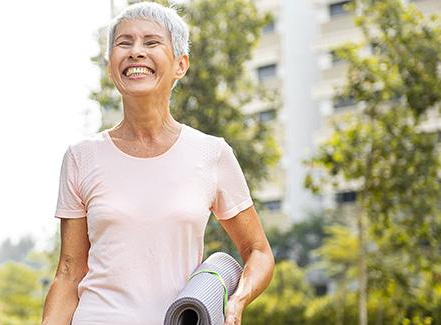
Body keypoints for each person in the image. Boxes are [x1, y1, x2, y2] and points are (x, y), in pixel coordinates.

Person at [41, 2, 274, 324]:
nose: (136, 52)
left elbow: (258, 251)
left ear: (180, 64)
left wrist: (238, 301)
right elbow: (68, 272)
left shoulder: (212, 154)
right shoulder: (81, 156)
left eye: (151, 42)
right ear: (111, 66)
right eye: (124, 43)